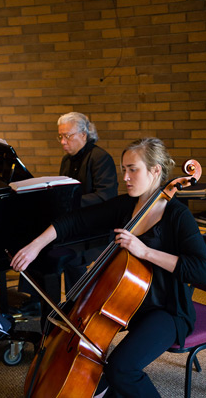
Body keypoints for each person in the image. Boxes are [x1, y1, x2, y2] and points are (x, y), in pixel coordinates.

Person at [11, 137, 206, 398]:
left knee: (120, 369)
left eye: (133, 169)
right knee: (105, 372)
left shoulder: (177, 215)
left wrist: (145, 251)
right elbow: (75, 221)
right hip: (127, 306)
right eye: (123, 170)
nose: (126, 177)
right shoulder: (126, 205)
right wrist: (35, 245)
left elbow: (202, 271)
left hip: (167, 311)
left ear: (155, 171)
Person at [56, 112, 119, 291]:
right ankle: (36, 301)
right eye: (60, 136)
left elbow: (105, 196)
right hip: (76, 222)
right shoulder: (66, 160)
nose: (62, 142)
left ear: (84, 134)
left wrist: (69, 205)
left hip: (95, 227)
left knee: (70, 256)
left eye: (67, 136)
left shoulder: (100, 157)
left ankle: (78, 301)